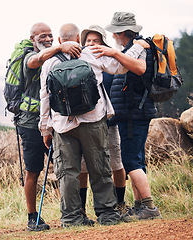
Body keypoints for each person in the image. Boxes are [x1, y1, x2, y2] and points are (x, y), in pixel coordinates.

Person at [39, 23, 148, 227]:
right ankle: (107, 214)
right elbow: (121, 66)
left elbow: (45, 97)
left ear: (60, 41)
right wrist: (139, 46)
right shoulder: (91, 54)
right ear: (79, 38)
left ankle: (71, 219)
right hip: (93, 120)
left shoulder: (50, 63)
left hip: (63, 125)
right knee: (100, 167)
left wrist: (45, 129)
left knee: (68, 173)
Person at [16, 22, 81, 231]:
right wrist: (59, 47)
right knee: (33, 172)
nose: (47, 39)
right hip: (29, 123)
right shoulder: (29, 56)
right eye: (42, 36)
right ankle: (32, 218)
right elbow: (35, 62)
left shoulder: (54, 57)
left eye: (50, 35)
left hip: (53, 122)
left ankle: (73, 214)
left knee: (65, 167)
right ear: (33, 38)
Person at [104, 12, 162, 220]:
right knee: (135, 159)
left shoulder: (138, 48)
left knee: (131, 161)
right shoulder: (134, 48)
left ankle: (150, 207)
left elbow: (139, 69)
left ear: (121, 32)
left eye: (113, 33)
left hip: (134, 113)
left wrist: (113, 53)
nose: (112, 37)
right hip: (133, 112)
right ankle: (140, 206)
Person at [78, 25, 127, 216]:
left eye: (95, 41)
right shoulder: (80, 62)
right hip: (87, 123)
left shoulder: (110, 63)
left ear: (103, 44)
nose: (90, 44)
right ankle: (81, 208)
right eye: (88, 41)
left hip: (109, 123)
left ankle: (120, 203)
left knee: (116, 163)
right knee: (83, 168)